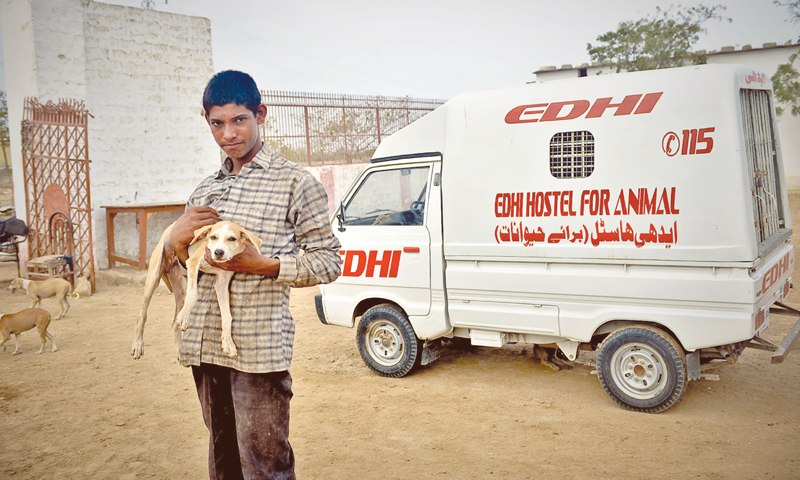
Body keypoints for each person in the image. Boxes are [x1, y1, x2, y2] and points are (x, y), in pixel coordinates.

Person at [170, 70, 341, 480]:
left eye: (239, 120)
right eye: (218, 123)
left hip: (259, 350)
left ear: (260, 113)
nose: (229, 133)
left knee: (265, 465)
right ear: (207, 121)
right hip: (205, 346)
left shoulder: (295, 182)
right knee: (222, 461)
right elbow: (187, 271)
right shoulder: (204, 191)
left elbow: (328, 261)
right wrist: (177, 243)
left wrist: (263, 265)